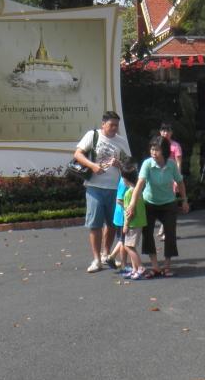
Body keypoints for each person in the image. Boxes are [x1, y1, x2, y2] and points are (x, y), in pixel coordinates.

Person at [73, 111, 129, 272]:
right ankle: (96, 259)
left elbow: (129, 164)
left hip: (115, 188)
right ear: (103, 124)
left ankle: (106, 254)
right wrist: (92, 166)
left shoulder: (121, 141)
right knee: (95, 224)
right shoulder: (92, 135)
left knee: (112, 224)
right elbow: (77, 154)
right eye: (111, 125)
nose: (114, 128)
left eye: (116, 125)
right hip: (94, 187)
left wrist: (120, 164)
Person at [127, 134, 190, 277]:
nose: (153, 152)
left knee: (170, 233)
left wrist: (184, 200)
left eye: (156, 150)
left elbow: (180, 182)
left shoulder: (171, 165)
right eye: (152, 149)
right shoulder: (147, 164)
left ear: (164, 151)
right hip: (149, 203)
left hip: (168, 203)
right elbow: (139, 185)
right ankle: (155, 266)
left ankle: (167, 265)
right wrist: (132, 204)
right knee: (147, 233)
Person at [117, 166, 148, 280]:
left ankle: (140, 267)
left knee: (128, 247)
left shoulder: (128, 193)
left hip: (132, 224)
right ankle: (134, 269)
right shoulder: (137, 191)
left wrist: (125, 225)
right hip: (139, 222)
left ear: (125, 179)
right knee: (131, 246)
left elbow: (129, 212)